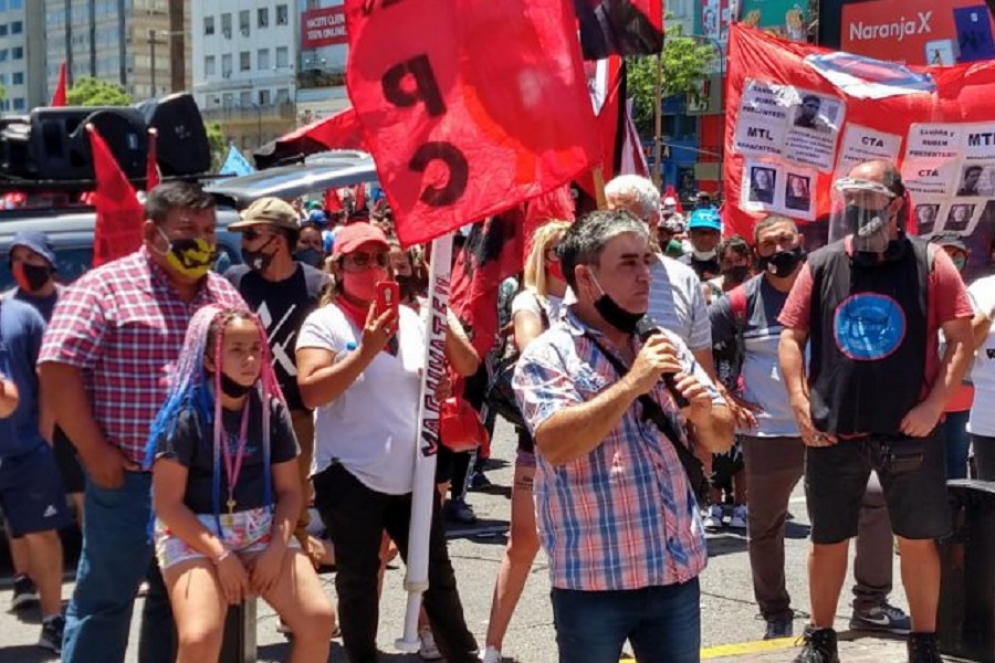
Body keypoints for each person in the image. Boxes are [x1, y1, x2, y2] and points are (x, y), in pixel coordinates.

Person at [38, 181, 247, 663]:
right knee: (104, 602)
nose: (203, 240)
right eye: (188, 230)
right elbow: (56, 367)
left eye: (210, 230)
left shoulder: (222, 295)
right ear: (152, 232)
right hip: (128, 479)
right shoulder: (104, 288)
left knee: (178, 605)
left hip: (199, 485)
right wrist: (93, 452)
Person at [513, 210, 734, 663]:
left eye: (647, 261)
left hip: (673, 571)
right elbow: (556, 444)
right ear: (586, 277)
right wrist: (633, 383)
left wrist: (704, 416)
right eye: (628, 263)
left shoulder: (662, 342)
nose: (645, 276)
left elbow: (722, 438)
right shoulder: (547, 354)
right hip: (596, 580)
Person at [778, 160, 973, 663]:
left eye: (870, 198)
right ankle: (821, 638)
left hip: (910, 428)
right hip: (833, 427)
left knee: (918, 539)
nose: (859, 208)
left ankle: (924, 641)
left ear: (896, 203)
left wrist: (935, 405)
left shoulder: (930, 262)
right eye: (853, 198)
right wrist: (800, 404)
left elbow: (960, 340)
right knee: (826, 539)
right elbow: (791, 337)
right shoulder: (821, 263)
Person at [712, 215, 911, 640]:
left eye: (787, 239)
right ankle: (775, 611)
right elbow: (700, 351)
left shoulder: (831, 289)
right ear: (756, 252)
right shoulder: (738, 302)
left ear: (801, 241)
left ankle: (871, 602)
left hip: (835, 428)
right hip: (770, 434)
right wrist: (726, 397)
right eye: (769, 244)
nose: (780, 248)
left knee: (872, 503)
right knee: (766, 525)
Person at [296, 222, 480, 663]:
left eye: (380, 258)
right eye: (360, 259)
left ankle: (462, 655)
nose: (373, 267)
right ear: (338, 268)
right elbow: (312, 391)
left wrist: (440, 313)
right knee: (358, 578)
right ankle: (361, 656)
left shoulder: (415, 319)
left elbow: (468, 365)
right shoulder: (324, 322)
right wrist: (365, 349)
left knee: (435, 572)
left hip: (412, 470)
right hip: (350, 473)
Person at [148, 305, 335, 662]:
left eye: (255, 349)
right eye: (236, 349)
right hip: (194, 533)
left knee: (318, 618)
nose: (250, 359)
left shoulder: (271, 411)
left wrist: (277, 548)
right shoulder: (185, 416)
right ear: (208, 360)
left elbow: (290, 492)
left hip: (261, 527)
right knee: (200, 636)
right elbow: (167, 505)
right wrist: (220, 555)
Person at [224, 197, 333, 570]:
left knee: (296, 507)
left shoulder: (318, 286)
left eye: (252, 235)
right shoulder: (234, 282)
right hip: (241, 411)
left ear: (278, 239)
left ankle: (297, 608)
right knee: (236, 503)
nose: (245, 246)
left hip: (298, 414)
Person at [481, 220, 570, 663]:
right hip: (536, 441)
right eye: (557, 249)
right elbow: (530, 347)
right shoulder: (529, 299)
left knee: (580, 549)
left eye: (572, 248)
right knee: (523, 545)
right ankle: (492, 645)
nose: (565, 256)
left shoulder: (590, 301)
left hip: (587, 441)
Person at [4, 230, 86, 612]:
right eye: (17, 258)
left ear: (49, 262)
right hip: (27, 428)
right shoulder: (10, 307)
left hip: (73, 416)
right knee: (24, 514)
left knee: (84, 494)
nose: (24, 267)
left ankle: (91, 572)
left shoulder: (70, 302)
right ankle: (25, 578)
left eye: (32, 258)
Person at [0, 297, 72, 652]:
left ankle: (53, 619)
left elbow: (49, 373)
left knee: (43, 535)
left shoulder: (22, 316)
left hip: (24, 450)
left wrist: (45, 429)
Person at [701, 235, 753, 532]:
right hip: (716, 365)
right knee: (716, 439)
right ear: (720, 262)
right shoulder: (709, 290)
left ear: (749, 260)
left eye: (739, 260)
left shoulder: (757, 288)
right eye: (728, 260)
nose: (734, 265)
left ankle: (743, 506)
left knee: (743, 446)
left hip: (746, 369)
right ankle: (715, 503)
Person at [931, 234, 974, 479]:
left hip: (963, 395)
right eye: (945, 253)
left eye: (957, 255)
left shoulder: (973, 295)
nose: (950, 259)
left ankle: (954, 515)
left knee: (955, 461)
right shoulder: (918, 293)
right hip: (923, 395)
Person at [681, 208, 723, 281]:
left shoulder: (729, 266)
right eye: (700, 232)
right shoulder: (679, 266)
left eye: (712, 232)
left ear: (719, 236)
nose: (706, 237)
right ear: (689, 234)